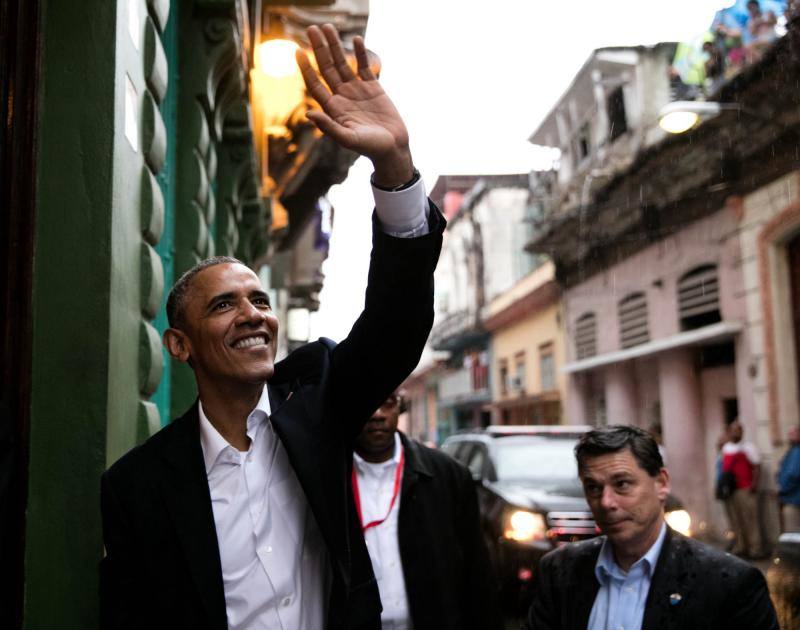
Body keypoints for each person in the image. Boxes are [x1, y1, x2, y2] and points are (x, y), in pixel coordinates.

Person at [100, 24, 445, 630]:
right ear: (179, 346)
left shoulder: (319, 405)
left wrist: (393, 165)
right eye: (223, 305)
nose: (254, 314)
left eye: (259, 300)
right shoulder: (139, 486)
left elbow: (397, 324)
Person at [525, 425, 778, 630]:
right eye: (593, 488)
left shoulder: (731, 583)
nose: (606, 502)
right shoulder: (559, 571)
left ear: (661, 484)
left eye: (622, 484)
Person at [351, 391, 501, 630]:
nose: (377, 414)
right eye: (367, 403)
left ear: (400, 406)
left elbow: (478, 575)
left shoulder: (448, 476)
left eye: (387, 402)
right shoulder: (328, 478)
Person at [722, 419, 765, 558]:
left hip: (745, 488)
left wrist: (754, 484)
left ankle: (755, 548)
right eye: (733, 431)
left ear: (742, 432)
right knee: (736, 519)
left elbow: (757, 466)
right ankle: (741, 546)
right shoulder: (726, 448)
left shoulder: (748, 447)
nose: (735, 433)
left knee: (750, 520)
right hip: (731, 489)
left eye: (737, 430)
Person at [777, 424, 800, 532]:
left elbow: (793, 474)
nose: (789, 437)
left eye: (792, 434)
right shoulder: (792, 450)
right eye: (789, 434)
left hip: (793, 499)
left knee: (793, 533)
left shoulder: (797, 451)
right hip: (791, 497)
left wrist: (782, 489)